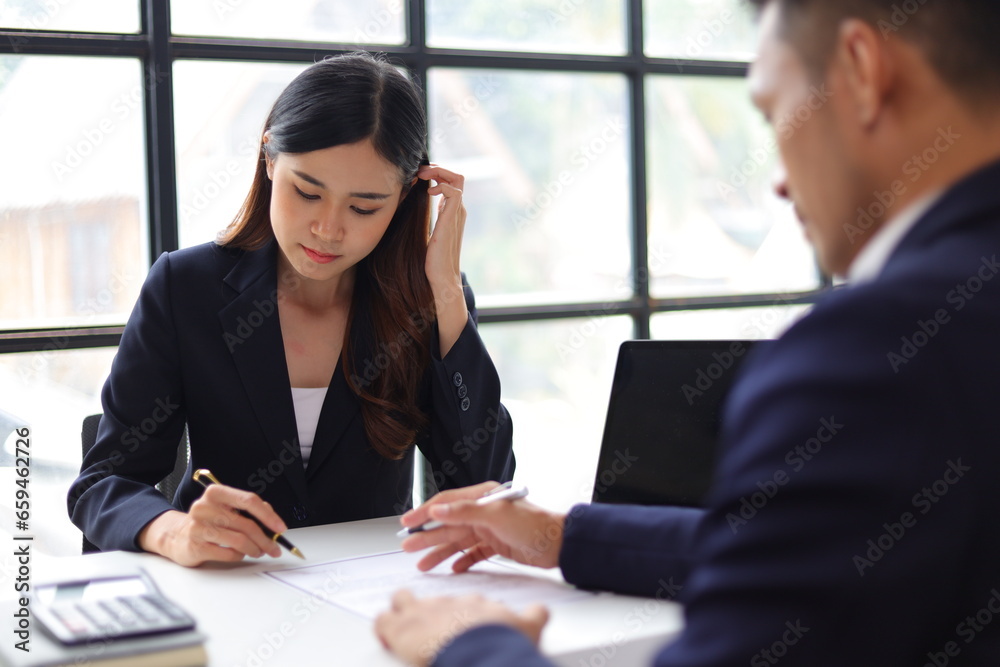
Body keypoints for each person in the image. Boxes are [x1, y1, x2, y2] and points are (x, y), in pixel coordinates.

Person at [375, 0, 1000, 664]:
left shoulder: (870, 357)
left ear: (862, 68)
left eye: (772, 113)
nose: (782, 183)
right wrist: (567, 535)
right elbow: (837, 543)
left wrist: (472, 645)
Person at [67, 52, 514, 568]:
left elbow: (486, 488)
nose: (328, 229)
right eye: (307, 192)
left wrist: (445, 291)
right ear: (269, 161)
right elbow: (103, 483)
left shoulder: (431, 301)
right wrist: (174, 532)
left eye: (364, 207)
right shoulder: (185, 288)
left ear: (407, 197)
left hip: (371, 605)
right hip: (226, 592)